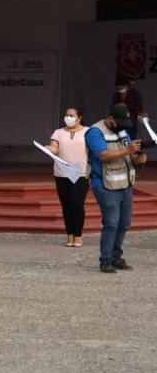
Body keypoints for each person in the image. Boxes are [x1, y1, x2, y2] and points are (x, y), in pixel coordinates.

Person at [85, 104, 146, 273]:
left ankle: (116, 257)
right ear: (111, 118)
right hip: (104, 184)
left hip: (125, 184)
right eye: (120, 121)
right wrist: (128, 150)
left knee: (124, 223)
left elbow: (130, 156)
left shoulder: (122, 130)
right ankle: (105, 260)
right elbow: (103, 156)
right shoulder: (95, 132)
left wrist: (137, 158)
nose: (123, 125)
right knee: (111, 223)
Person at [46, 107, 89, 247]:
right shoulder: (58, 132)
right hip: (62, 173)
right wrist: (49, 149)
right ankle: (69, 234)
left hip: (81, 173)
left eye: (71, 115)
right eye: (66, 115)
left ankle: (78, 234)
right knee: (66, 205)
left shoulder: (88, 132)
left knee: (77, 204)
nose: (68, 117)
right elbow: (55, 147)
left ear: (79, 117)